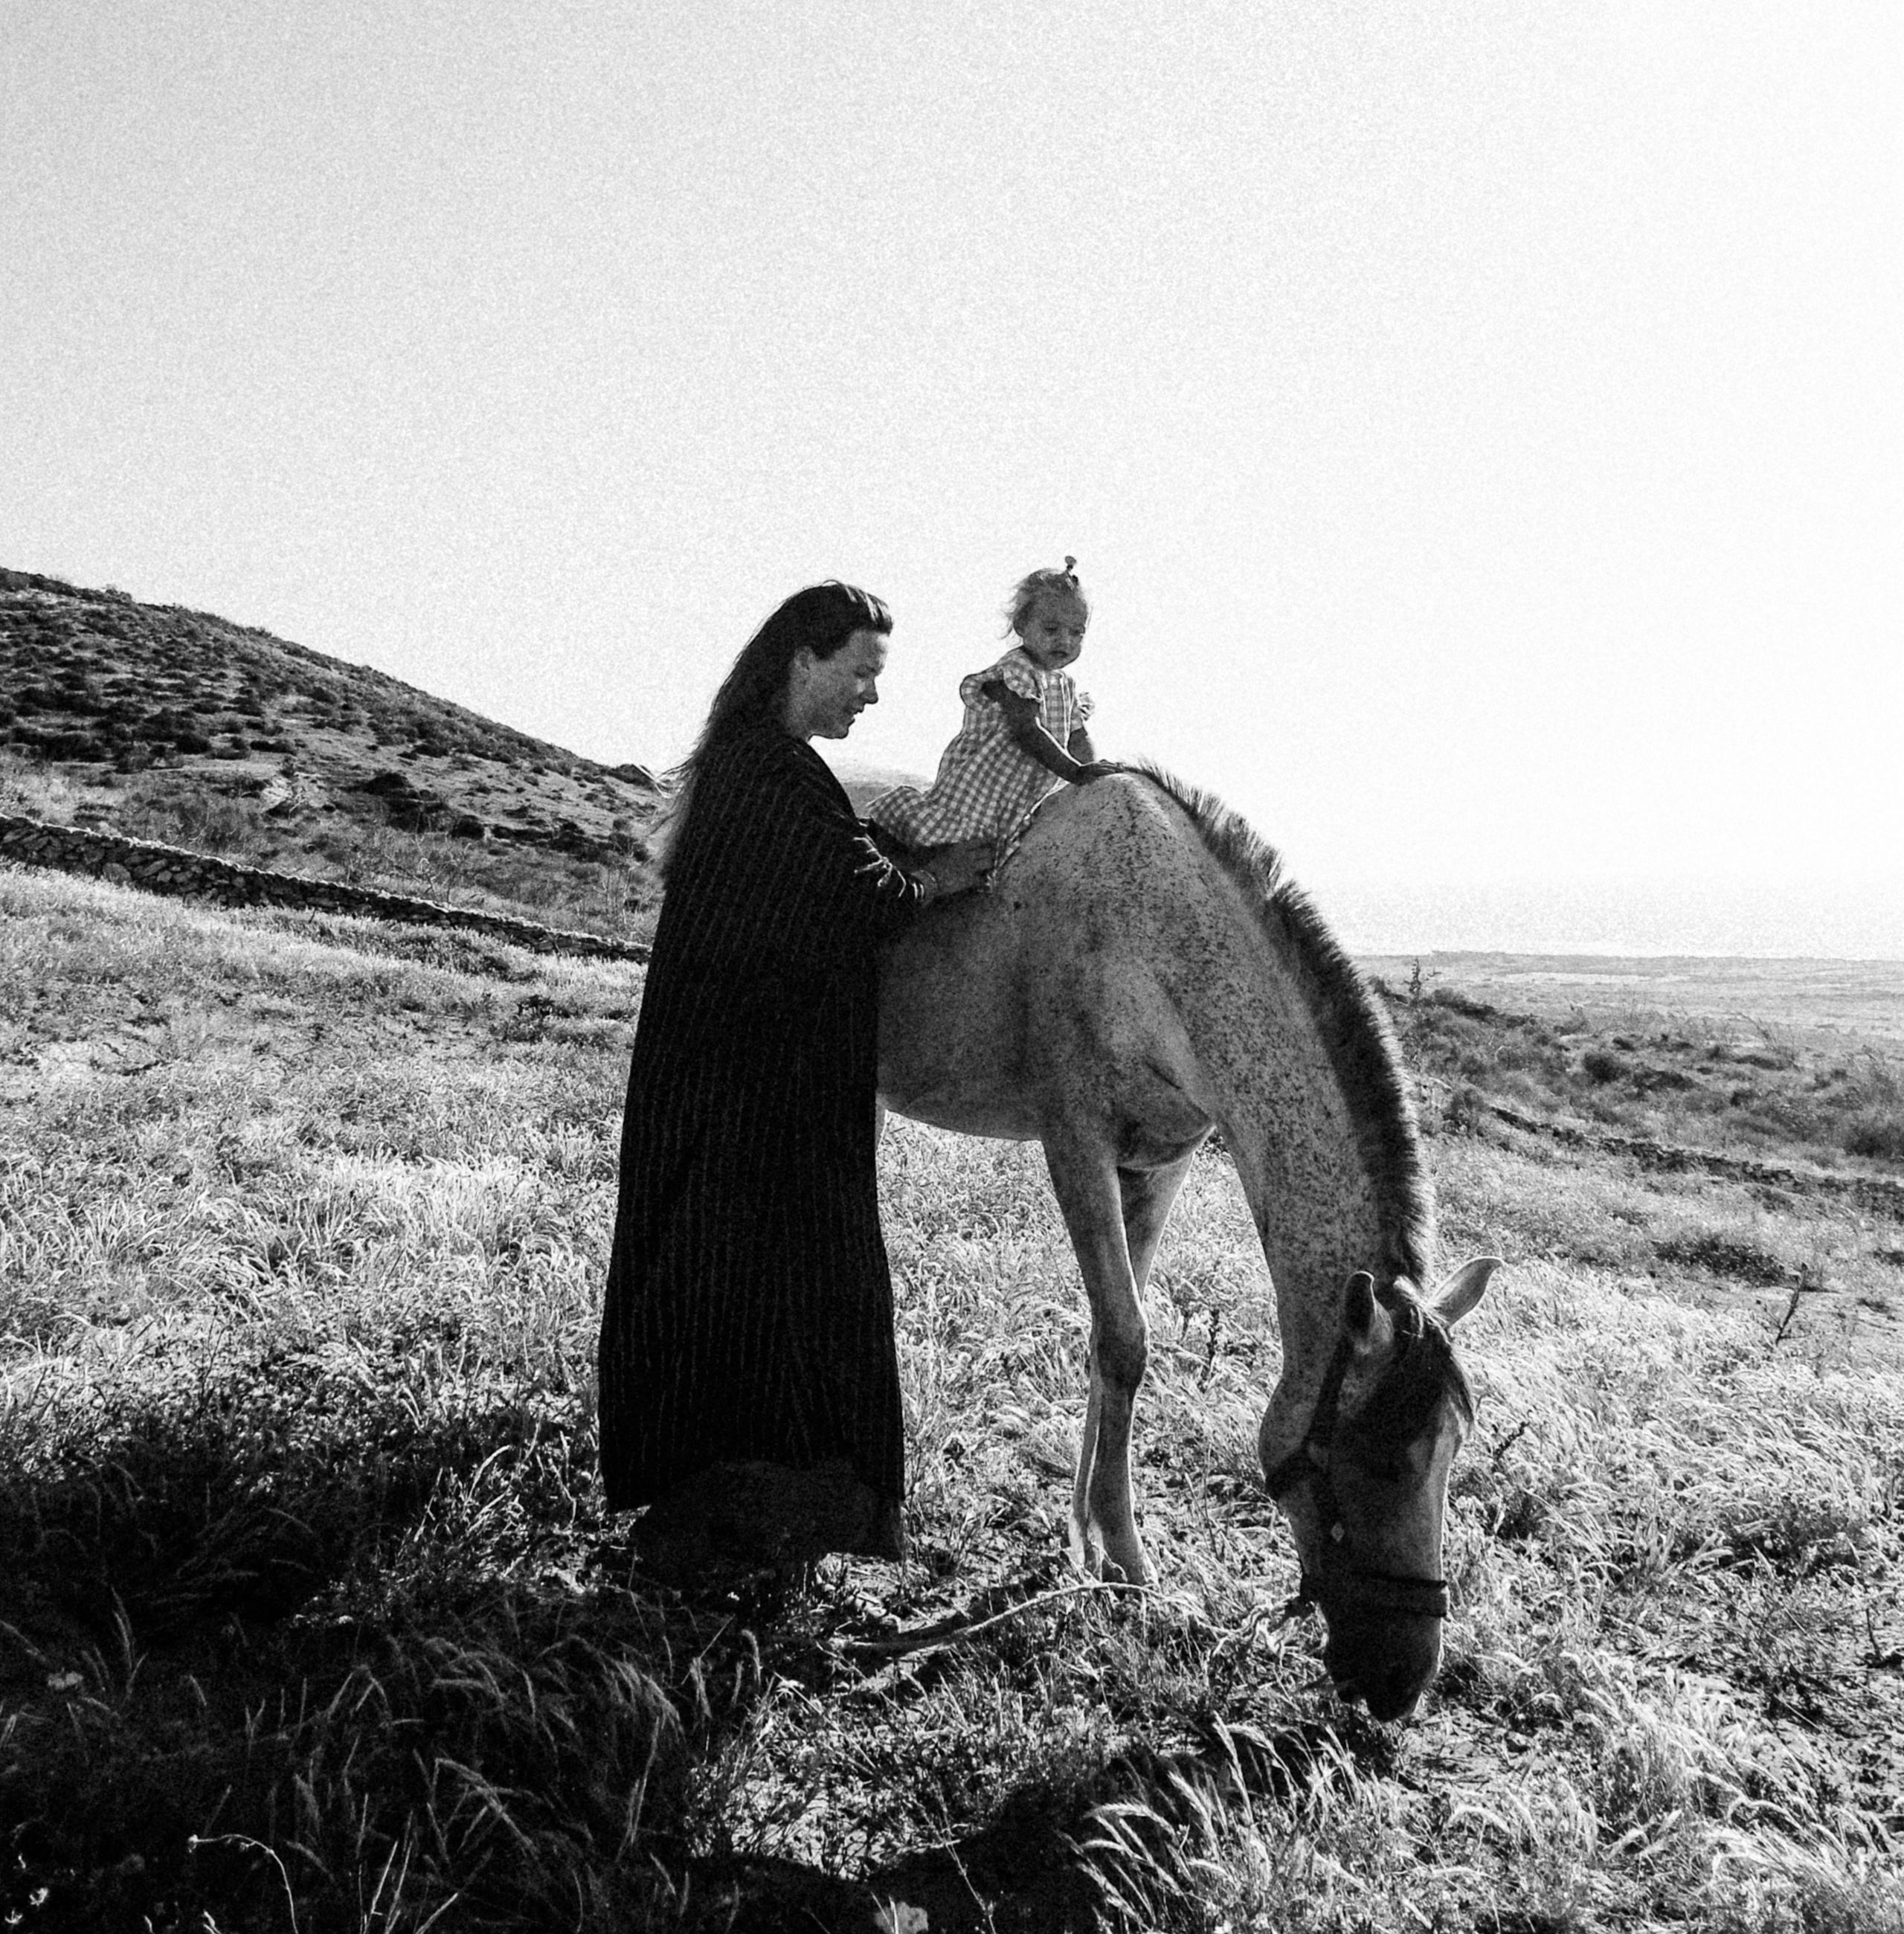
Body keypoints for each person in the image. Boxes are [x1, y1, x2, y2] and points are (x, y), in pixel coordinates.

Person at [596, 582, 990, 1584]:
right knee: (760, 1292)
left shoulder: (764, 770)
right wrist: (948, 875)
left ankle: (749, 1523)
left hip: (749, 1091)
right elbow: (854, 894)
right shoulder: (765, 775)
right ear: (801, 662)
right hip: (750, 1102)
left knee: (747, 1291)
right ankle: (738, 1524)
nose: (867, 694)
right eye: (859, 670)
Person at [864, 558, 1119, 862]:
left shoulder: (1066, 686)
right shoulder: (1016, 671)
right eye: (1052, 629)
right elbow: (1027, 730)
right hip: (978, 790)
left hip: (1013, 800)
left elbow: (1078, 736)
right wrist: (1075, 771)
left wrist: (1094, 775)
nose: (1065, 640)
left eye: (1077, 632)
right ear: (1022, 626)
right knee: (946, 848)